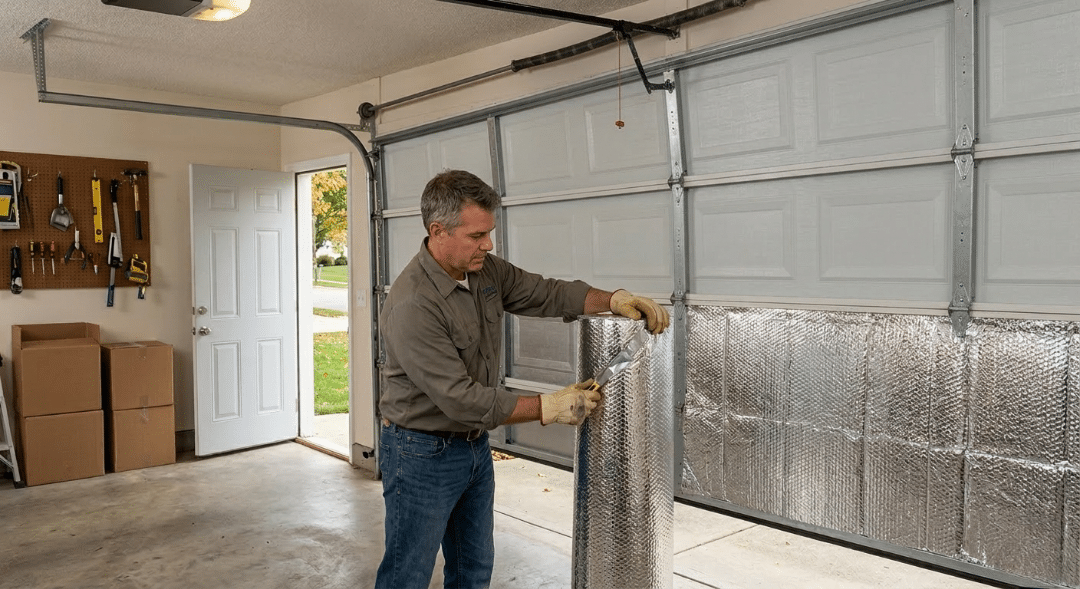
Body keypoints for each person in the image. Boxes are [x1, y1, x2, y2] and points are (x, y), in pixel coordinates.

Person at [375, 169, 670, 589]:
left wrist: (614, 299)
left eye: (489, 233)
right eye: (476, 236)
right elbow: (461, 399)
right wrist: (547, 407)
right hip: (421, 453)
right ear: (437, 231)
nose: (488, 244)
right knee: (407, 575)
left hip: (473, 447)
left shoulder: (485, 271)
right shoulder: (413, 304)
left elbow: (544, 292)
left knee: (473, 570)